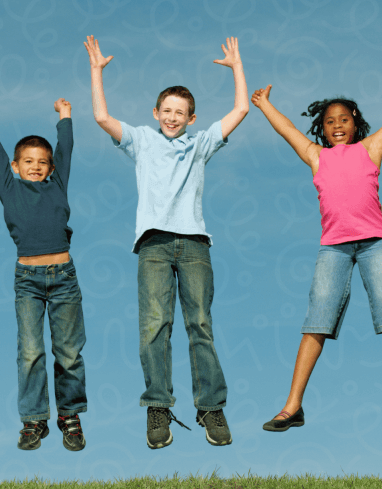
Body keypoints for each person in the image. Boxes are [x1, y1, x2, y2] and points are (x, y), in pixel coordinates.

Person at [250, 63, 382, 439]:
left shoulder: (371, 149)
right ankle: (293, 406)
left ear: (355, 123)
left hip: (374, 244)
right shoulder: (316, 157)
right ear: (321, 130)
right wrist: (264, 105)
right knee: (315, 322)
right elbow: (288, 129)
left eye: (343, 119)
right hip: (333, 249)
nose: (336, 125)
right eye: (328, 122)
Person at [85, 35, 248, 448]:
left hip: (194, 244)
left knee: (200, 326)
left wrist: (236, 66)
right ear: (155, 112)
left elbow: (242, 109)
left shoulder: (200, 144)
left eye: (181, 113)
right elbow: (102, 117)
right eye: (167, 111)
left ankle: (210, 407)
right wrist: (97, 71)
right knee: (155, 328)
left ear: (192, 118)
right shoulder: (141, 139)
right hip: (154, 246)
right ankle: (158, 406)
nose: (173, 118)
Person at [0, 94, 87, 452]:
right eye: (28, 161)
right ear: (15, 165)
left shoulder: (57, 184)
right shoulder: (9, 187)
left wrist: (65, 116)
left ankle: (69, 416)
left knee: (68, 352)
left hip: (64, 277)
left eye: (42, 162)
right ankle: (34, 419)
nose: (36, 166)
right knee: (31, 352)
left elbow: (65, 149)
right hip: (28, 282)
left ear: (51, 168)